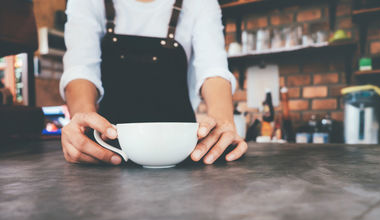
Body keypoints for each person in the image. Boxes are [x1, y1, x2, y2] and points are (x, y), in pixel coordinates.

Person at [60, 0, 248, 165]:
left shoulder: (199, 3)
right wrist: (83, 125)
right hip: (106, 153)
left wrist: (223, 121)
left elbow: (212, 68)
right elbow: (81, 68)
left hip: (182, 156)